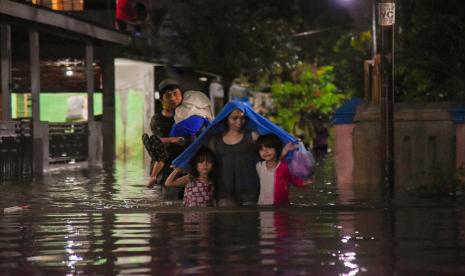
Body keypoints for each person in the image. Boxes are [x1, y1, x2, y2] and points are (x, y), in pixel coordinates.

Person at [171, 101, 302, 206]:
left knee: (248, 230)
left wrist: (290, 144)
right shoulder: (214, 140)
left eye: (242, 118)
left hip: (250, 189)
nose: (239, 122)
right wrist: (182, 162)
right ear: (226, 119)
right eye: (235, 118)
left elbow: (271, 148)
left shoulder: (253, 136)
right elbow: (200, 155)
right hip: (223, 191)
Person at [144, 79, 185, 191]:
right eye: (168, 96)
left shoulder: (189, 117)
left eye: (176, 94)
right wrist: (173, 139)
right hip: (164, 169)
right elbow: (158, 139)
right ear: (162, 100)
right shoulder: (157, 119)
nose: (173, 98)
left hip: (182, 166)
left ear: (182, 96)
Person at [255, 134, 313, 206]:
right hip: (262, 205)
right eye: (261, 149)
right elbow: (274, 162)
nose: (265, 151)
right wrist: (285, 150)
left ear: (277, 148)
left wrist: (303, 183)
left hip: (281, 206)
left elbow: (293, 179)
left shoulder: (284, 166)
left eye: (269, 148)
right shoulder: (259, 166)